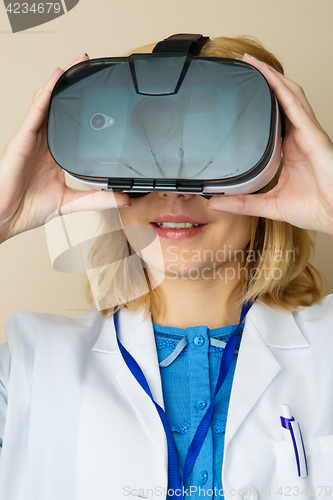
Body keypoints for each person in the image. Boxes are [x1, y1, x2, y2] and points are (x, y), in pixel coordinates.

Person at [0, 35, 333, 500]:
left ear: (269, 174)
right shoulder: (28, 366)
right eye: (147, 157)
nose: (175, 193)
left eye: (211, 159)